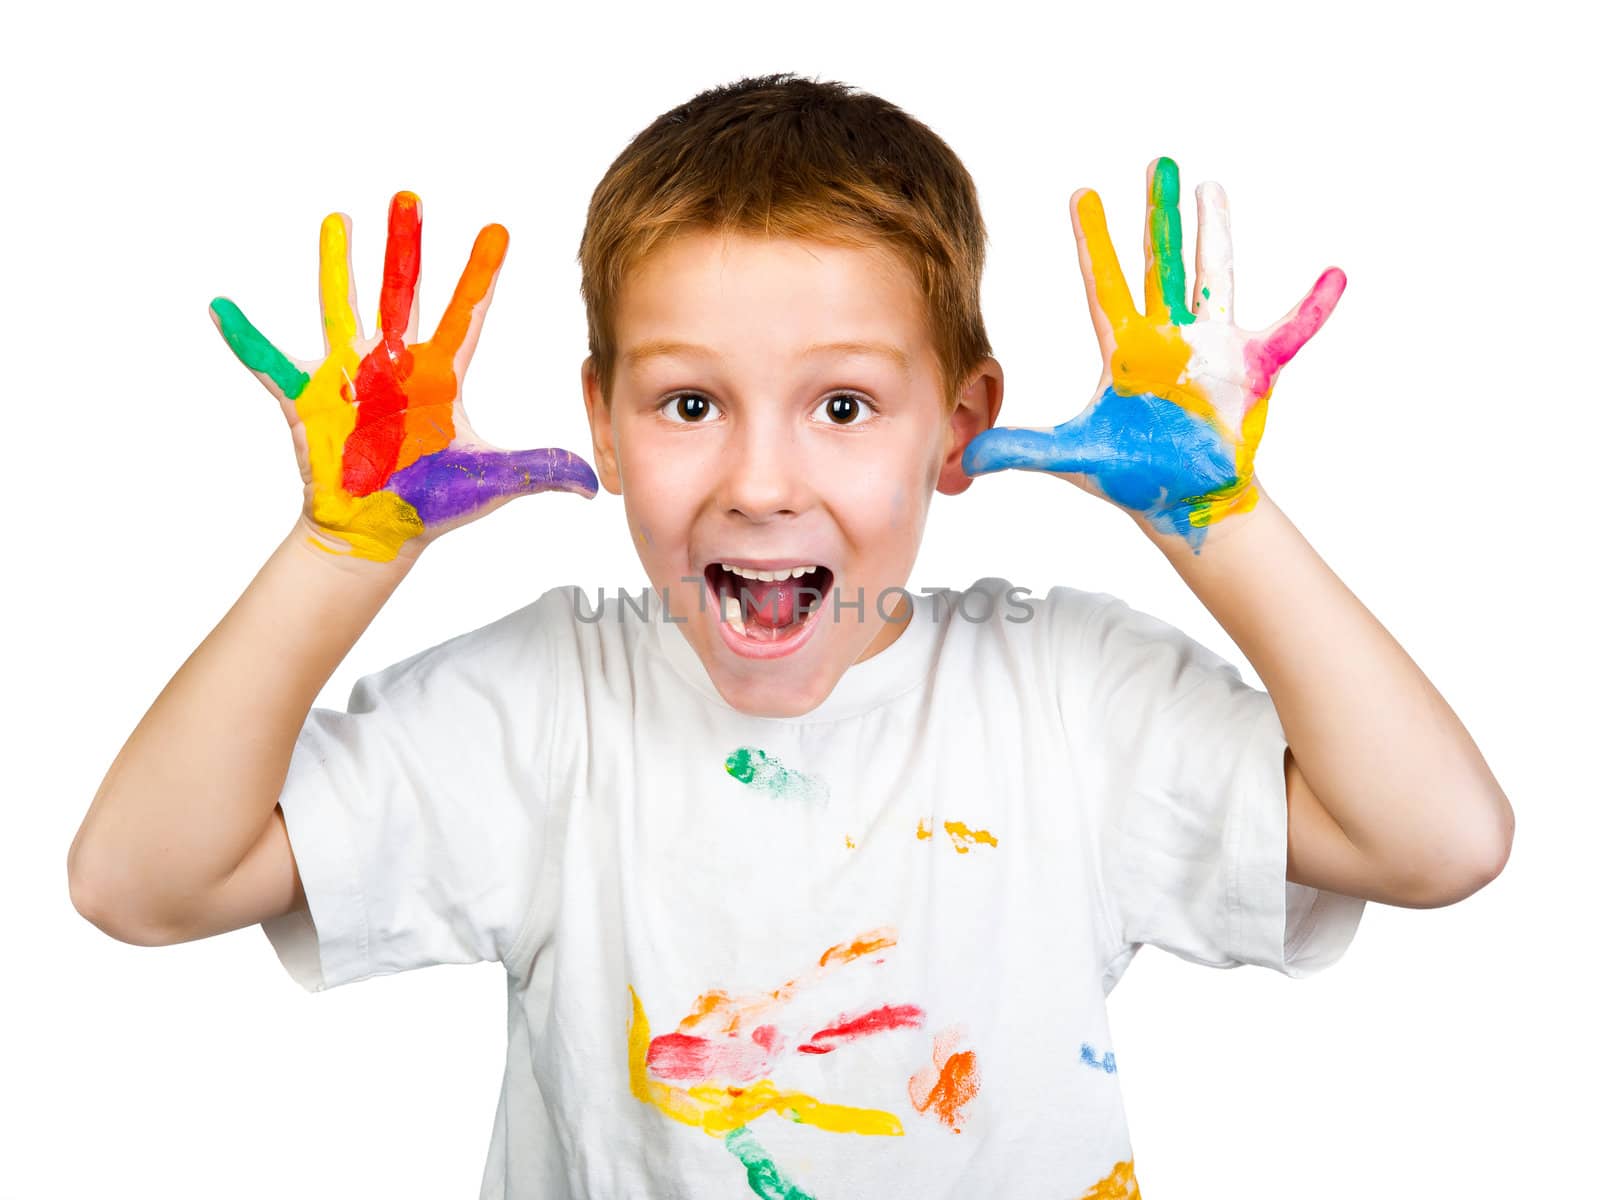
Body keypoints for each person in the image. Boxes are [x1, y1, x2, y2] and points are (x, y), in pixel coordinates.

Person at [67, 73, 1514, 1200]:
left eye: (842, 406)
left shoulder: (1066, 695)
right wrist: (340, 550)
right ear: (604, 427)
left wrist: (1221, 519)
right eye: (689, 404)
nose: (761, 479)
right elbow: (142, 881)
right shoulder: (548, 704)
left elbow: (1436, 840)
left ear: (960, 425)